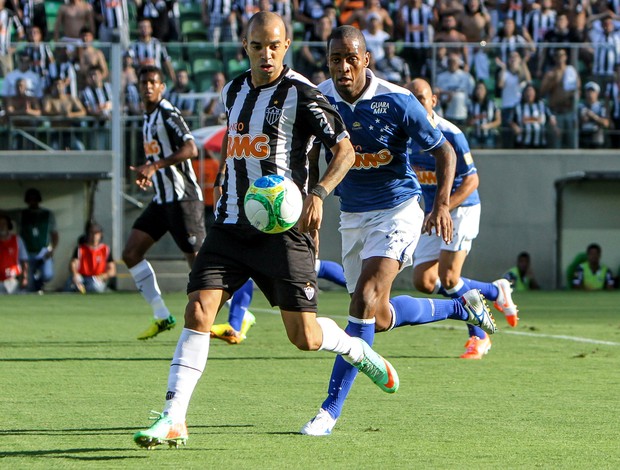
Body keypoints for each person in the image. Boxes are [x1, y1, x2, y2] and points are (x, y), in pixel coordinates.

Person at [132, 12, 402, 449]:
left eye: (275, 46)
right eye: (258, 46)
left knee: (305, 336)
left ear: (287, 45)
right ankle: (174, 415)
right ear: (246, 46)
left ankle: (357, 349)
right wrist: (222, 186)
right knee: (198, 312)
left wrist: (318, 192)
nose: (267, 54)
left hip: (284, 232)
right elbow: (237, 152)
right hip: (231, 226)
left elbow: (346, 151)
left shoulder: (303, 94)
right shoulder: (233, 90)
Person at [300, 26, 496, 437]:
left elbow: (443, 150)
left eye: (351, 58)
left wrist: (441, 204)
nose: (343, 67)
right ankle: (461, 307)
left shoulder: (398, 100)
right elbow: (313, 152)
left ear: (365, 59)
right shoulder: (320, 98)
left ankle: (329, 411)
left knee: (364, 300)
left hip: (398, 211)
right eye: (335, 59)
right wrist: (309, 199)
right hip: (351, 215)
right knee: (381, 316)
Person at [407, 78, 517, 361]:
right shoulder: (405, 136)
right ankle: (495, 290)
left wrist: (442, 208)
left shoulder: (450, 133)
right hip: (434, 212)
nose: (417, 103)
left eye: (422, 98)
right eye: (412, 98)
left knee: (449, 277)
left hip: (460, 208)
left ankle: (479, 337)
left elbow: (472, 180)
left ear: (433, 101)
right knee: (424, 280)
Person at [122, 64, 205, 341]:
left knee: (201, 266)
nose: (147, 86)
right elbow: (159, 157)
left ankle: (239, 313)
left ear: (162, 87)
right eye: (143, 82)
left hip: (183, 199)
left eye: (153, 82)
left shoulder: (168, 113)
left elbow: (191, 148)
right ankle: (161, 315)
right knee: (131, 252)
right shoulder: (147, 118)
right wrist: (150, 171)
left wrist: (155, 165)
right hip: (162, 200)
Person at [19, 188, 58, 292]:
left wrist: (52, 249)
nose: (33, 201)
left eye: (35, 199)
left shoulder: (48, 214)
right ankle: (35, 290)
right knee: (29, 284)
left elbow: (54, 234)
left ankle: (39, 285)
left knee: (48, 275)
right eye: (30, 199)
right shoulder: (21, 214)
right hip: (27, 252)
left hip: (43, 251)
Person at [65, 222, 116, 293]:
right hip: (82, 277)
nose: (94, 236)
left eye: (96, 233)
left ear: (100, 234)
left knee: (95, 287)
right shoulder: (80, 249)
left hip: (96, 278)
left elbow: (112, 270)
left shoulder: (105, 249)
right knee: (70, 284)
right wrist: (75, 274)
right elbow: (73, 264)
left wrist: (103, 276)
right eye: (92, 233)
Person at [0, 212, 28, 294]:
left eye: (3, 224)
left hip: (13, 280)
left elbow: (24, 261)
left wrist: (24, 277)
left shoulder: (17, 240)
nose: (1, 227)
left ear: (8, 226)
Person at [578, 81, 610, 149]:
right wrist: (582, 119)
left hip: (596, 137)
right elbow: (575, 122)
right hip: (583, 137)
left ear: (597, 93)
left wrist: (593, 116)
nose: (590, 94)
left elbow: (606, 123)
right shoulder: (580, 106)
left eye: (592, 91)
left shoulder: (601, 106)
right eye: (588, 91)